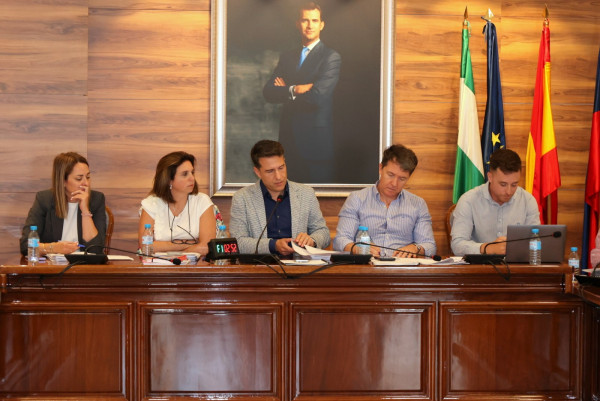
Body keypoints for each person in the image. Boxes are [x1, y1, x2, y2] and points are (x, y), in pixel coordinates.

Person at [263, 1, 341, 183]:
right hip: (288, 141)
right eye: (305, 20)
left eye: (314, 20)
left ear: (322, 24)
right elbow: (268, 92)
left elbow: (317, 97)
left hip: (315, 144)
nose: (310, 25)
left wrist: (285, 90)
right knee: (289, 196)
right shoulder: (287, 57)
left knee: (316, 196)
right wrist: (295, 89)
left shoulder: (331, 57)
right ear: (298, 24)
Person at [333, 144, 436, 258]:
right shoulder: (357, 199)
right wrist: (358, 249)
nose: (394, 184)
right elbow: (340, 240)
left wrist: (416, 248)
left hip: (403, 266)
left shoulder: (418, 204)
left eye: (402, 179)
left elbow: (430, 246)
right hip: (367, 264)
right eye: (390, 175)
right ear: (380, 168)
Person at [229, 139, 330, 256]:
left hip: (300, 264)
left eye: (281, 168)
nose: (278, 176)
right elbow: (238, 242)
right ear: (257, 172)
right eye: (270, 171)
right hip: (260, 265)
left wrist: (312, 240)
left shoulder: (306, 194)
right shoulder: (242, 198)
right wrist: (273, 245)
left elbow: (323, 233)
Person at [451, 148, 540, 256]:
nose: (509, 191)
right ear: (490, 177)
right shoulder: (468, 200)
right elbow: (457, 245)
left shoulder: (528, 201)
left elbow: (535, 241)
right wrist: (487, 248)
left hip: (517, 265)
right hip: (479, 265)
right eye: (503, 184)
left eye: (514, 185)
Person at [20, 152, 106, 256]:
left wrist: (85, 211)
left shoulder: (96, 199)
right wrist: (53, 248)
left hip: (83, 264)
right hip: (52, 265)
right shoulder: (45, 199)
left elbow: (96, 250)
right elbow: (26, 245)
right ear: (63, 181)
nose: (86, 183)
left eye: (88, 177)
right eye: (79, 179)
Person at [139, 151, 216, 255]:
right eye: (185, 174)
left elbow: (206, 247)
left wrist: (168, 250)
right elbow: (146, 246)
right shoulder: (152, 203)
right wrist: (189, 244)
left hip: (195, 264)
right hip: (159, 264)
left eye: (192, 172)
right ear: (169, 180)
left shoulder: (202, 201)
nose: (192, 178)